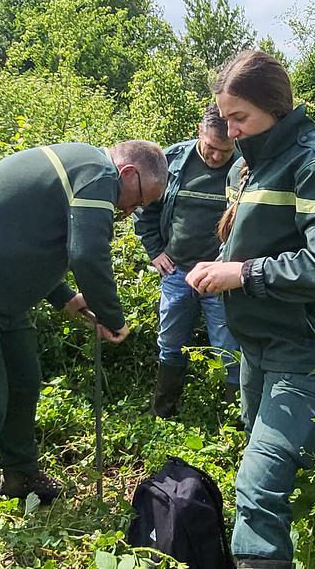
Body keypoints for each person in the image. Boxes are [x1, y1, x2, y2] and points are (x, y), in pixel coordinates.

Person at [0, 140, 167, 534]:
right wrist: (114, 319)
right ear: (129, 174)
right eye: (139, 200)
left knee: (24, 383)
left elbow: (28, 237)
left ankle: (20, 477)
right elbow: (86, 253)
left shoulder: (84, 167)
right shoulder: (99, 174)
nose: (133, 210)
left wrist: (65, 297)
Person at [187, 51, 315, 569]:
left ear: (276, 108)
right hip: (258, 348)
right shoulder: (257, 161)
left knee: (258, 491)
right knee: (272, 459)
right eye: (224, 118)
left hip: (304, 350)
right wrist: (220, 263)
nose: (230, 130)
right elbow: (257, 238)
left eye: (239, 118)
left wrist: (244, 274)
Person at [134, 104, 240, 418]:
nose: (217, 156)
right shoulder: (173, 161)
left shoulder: (247, 168)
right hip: (177, 271)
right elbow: (146, 209)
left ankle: (234, 422)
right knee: (170, 341)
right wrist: (155, 251)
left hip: (221, 278)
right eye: (210, 147)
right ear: (198, 131)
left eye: (225, 150)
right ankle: (163, 412)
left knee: (228, 349)